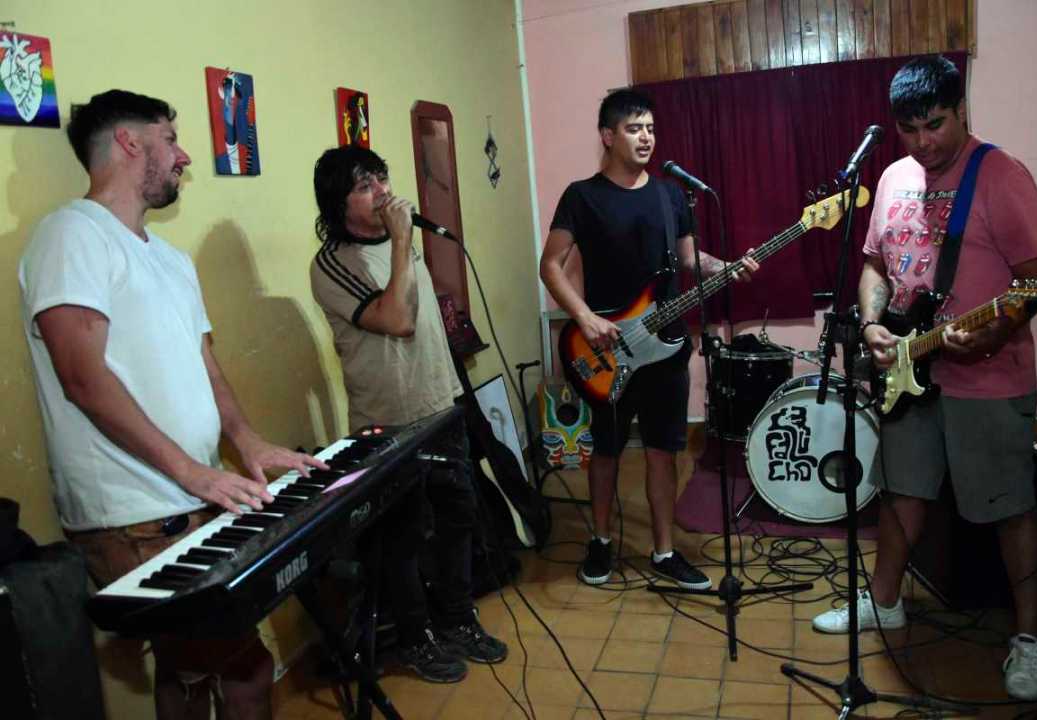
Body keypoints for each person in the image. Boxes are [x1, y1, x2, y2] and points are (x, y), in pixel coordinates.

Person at [18, 89, 327, 719]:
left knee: (188, 668)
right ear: (129, 141)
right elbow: (82, 378)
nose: (184, 156)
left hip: (188, 498)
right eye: (171, 138)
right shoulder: (71, 235)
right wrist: (193, 473)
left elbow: (204, 365)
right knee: (244, 670)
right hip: (132, 513)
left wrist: (247, 443)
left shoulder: (171, 260)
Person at [811, 55, 1037, 701]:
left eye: (936, 124)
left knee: (1010, 506)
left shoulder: (1001, 175)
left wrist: (994, 333)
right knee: (902, 491)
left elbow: (1035, 283)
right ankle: (885, 602)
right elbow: (874, 265)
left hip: (989, 380)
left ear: (961, 110)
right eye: (909, 128)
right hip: (909, 368)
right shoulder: (893, 177)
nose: (924, 141)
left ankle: (1030, 637)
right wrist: (871, 325)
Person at [539, 89, 759, 590]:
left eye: (651, 129)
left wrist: (726, 267)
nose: (646, 138)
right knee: (607, 450)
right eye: (634, 128)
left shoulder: (670, 195)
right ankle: (600, 541)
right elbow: (550, 265)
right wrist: (584, 317)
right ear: (608, 136)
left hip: (666, 346)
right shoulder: (582, 196)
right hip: (606, 347)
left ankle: (664, 551)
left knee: (663, 450)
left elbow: (689, 258)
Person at [309, 145, 507, 683]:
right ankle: (416, 639)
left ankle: (457, 620)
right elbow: (396, 320)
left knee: (457, 519)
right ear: (338, 204)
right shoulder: (333, 264)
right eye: (364, 186)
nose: (382, 192)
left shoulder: (402, 245)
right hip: (388, 424)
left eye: (381, 178)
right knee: (401, 538)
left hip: (440, 406)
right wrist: (401, 241)